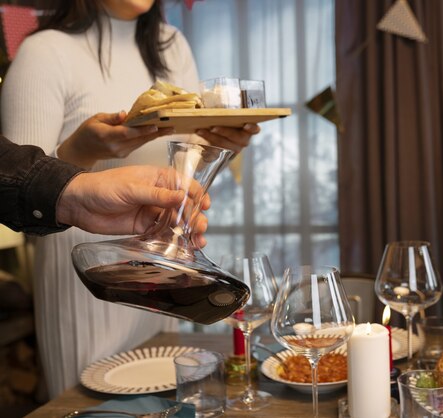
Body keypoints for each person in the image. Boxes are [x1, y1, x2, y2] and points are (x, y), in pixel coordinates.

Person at [0, 0, 259, 397]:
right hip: (86, 291)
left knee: (166, 399)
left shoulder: (172, 46)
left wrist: (218, 147)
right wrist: (82, 150)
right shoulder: (45, 52)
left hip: (162, 287)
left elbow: (184, 178)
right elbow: (20, 201)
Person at [0, 136, 210, 238]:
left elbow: (193, 152)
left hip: (156, 272)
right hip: (80, 275)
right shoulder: (45, 53)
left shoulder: (176, 52)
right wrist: (75, 196)